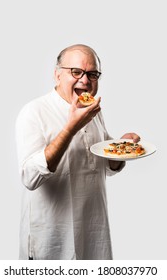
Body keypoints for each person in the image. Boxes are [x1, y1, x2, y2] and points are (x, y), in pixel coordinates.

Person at [15, 44, 140, 260]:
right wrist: (70, 128)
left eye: (92, 74)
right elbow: (30, 177)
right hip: (51, 238)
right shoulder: (33, 112)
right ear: (57, 75)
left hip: (93, 233)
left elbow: (102, 162)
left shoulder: (92, 111)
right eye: (76, 72)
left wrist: (122, 146)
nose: (85, 80)